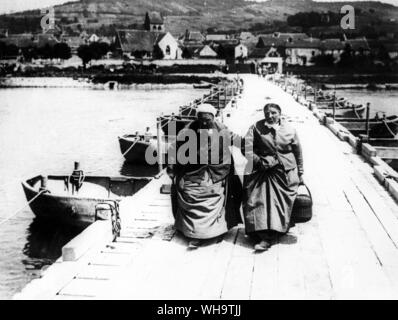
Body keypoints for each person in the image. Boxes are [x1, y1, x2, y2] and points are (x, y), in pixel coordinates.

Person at [167, 103, 243, 249]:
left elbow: (240, 142)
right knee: (190, 194)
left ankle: (216, 231)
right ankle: (194, 234)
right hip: (192, 171)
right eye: (201, 119)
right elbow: (173, 148)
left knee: (217, 195)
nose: (204, 123)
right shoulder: (188, 130)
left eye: (207, 120)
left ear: (214, 118)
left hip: (218, 171)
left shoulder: (222, 129)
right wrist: (171, 169)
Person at [242, 102, 304, 252]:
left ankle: (277, 230)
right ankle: (263, 234)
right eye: (267, 113)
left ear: (280, 113)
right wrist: (259, 161)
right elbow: (246, 147)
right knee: (256, 200)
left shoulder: (290, 130)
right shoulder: (256, 128)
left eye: (273, 113)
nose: (270, 116)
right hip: (260, 171)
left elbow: (298, 152)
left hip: (284, 172)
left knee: (281, 203)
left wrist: (300, 172)